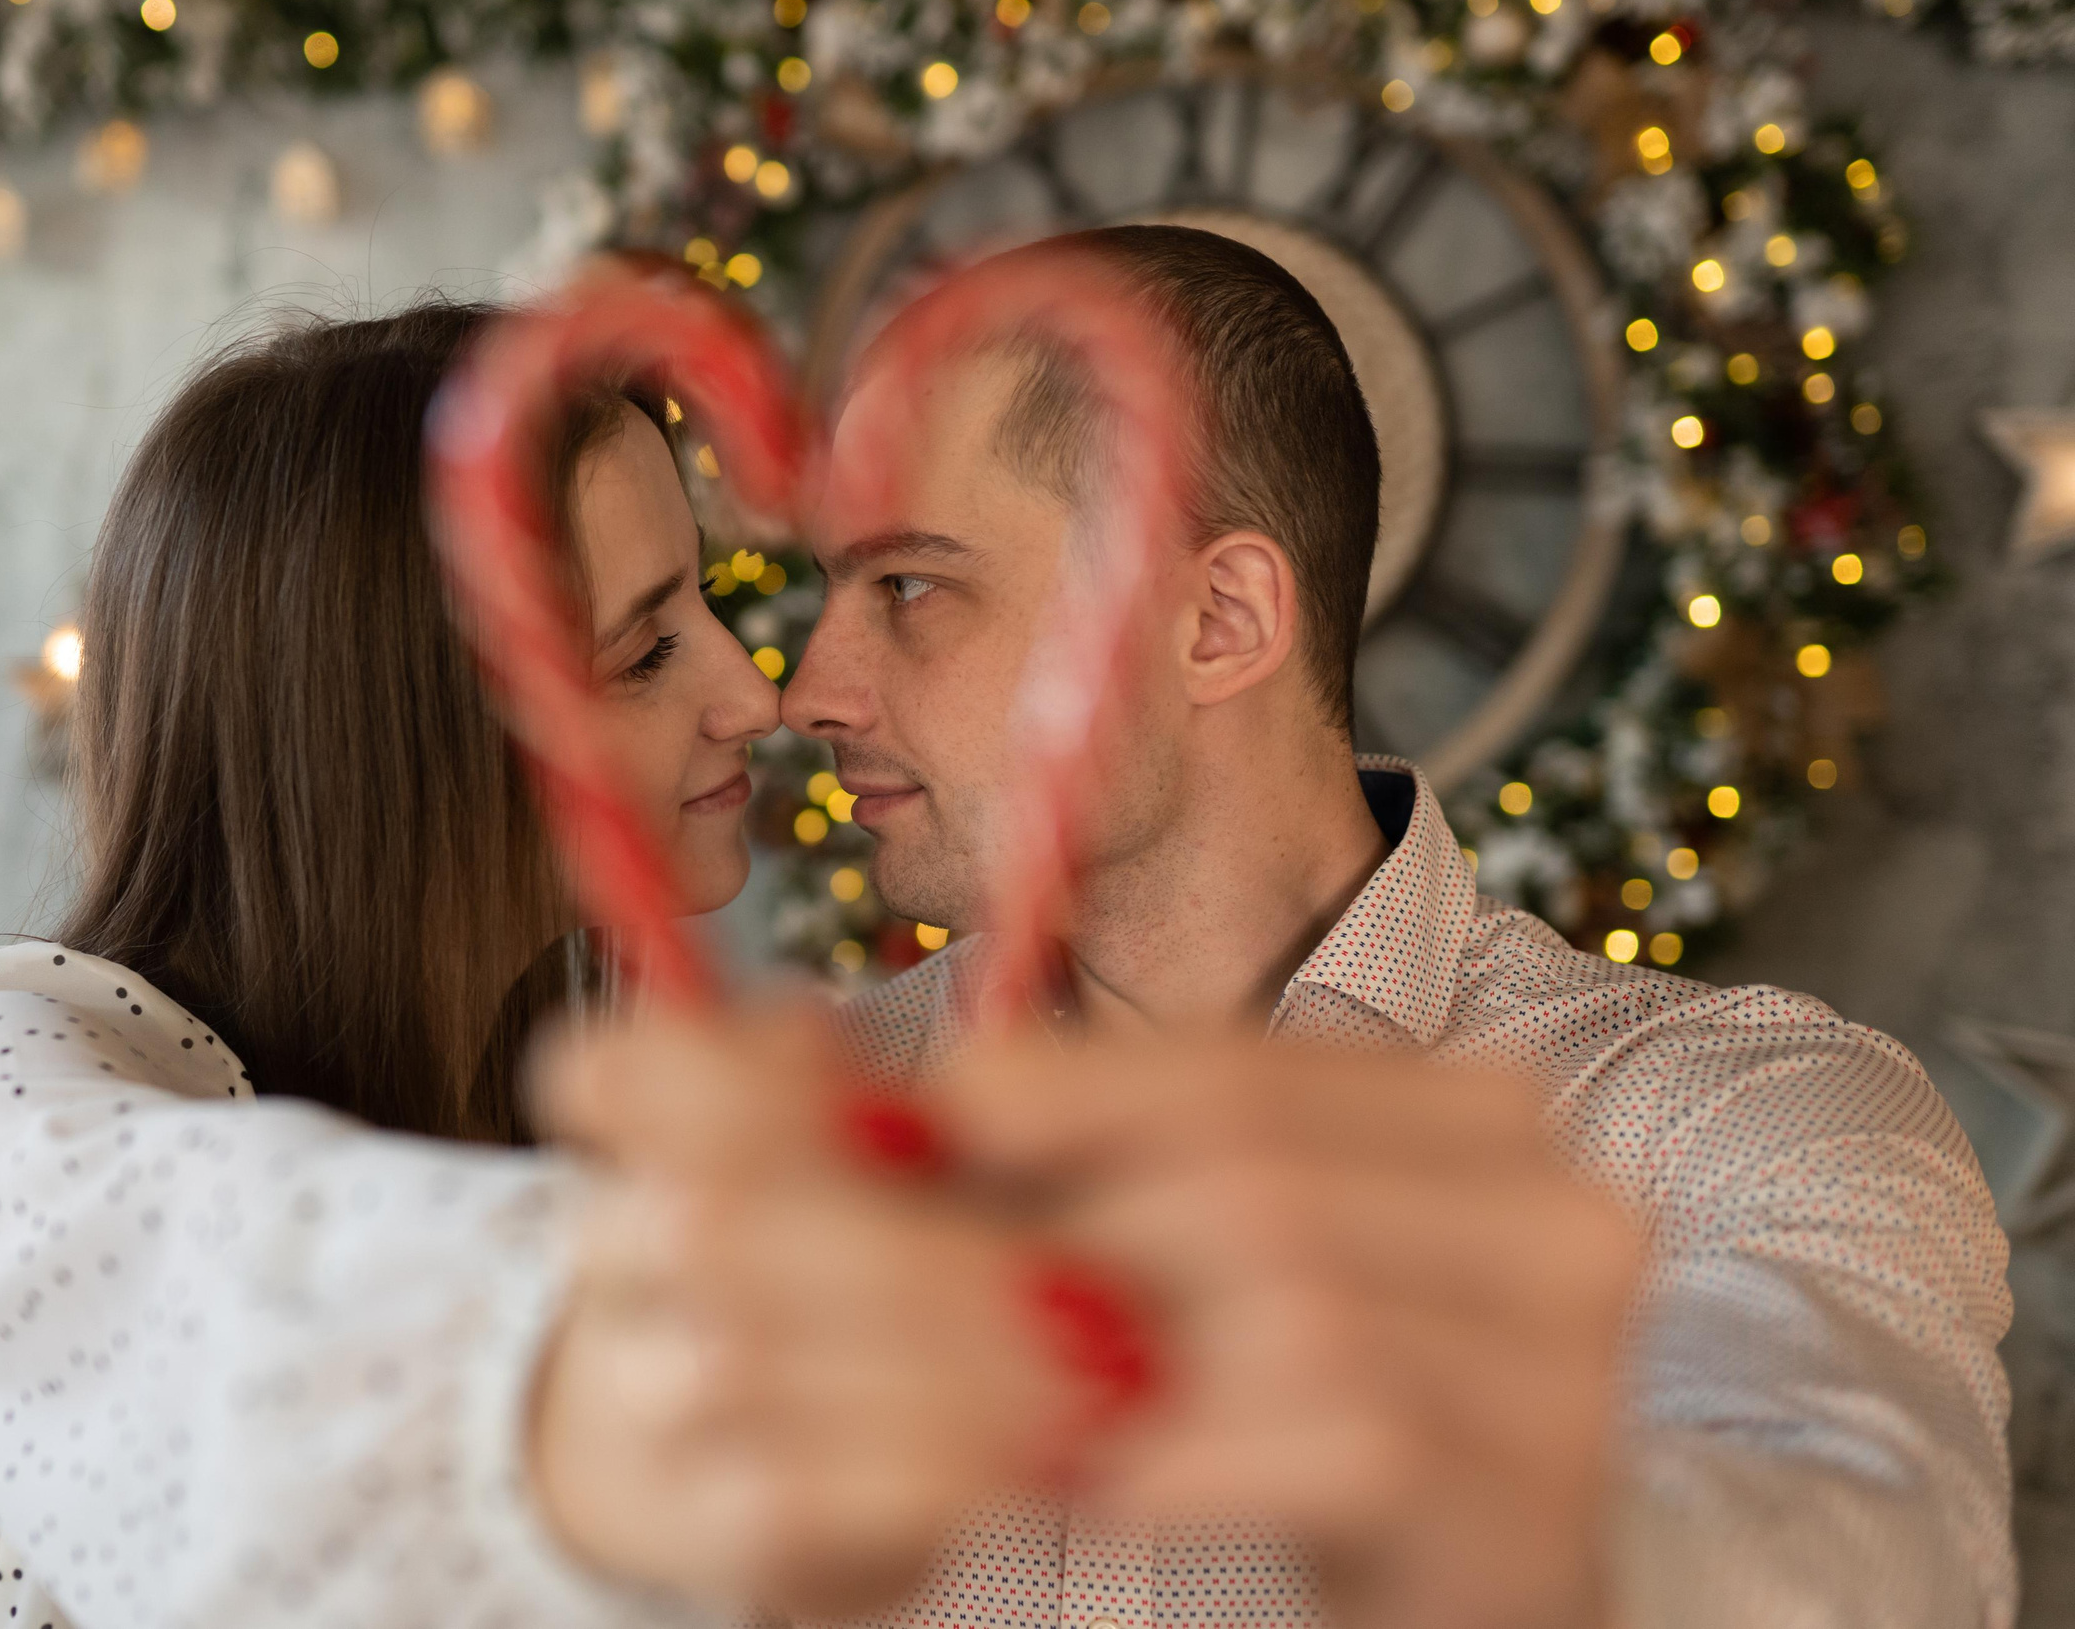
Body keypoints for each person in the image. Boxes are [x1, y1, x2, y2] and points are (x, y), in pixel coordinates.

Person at [534, 226, 2015, 1629]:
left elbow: (1871, 1533)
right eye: (825, 592)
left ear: (1219, 619)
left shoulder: (1739, 1125)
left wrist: (1566, 1560)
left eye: (913, 586)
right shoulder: (785, 1152)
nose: (810, 692)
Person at [0, 302, 787, 1629]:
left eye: (709, 609)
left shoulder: (546, 1110)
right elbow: (176, 1289)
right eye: (650, 649)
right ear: (395, 729)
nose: (754, 696)